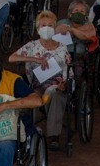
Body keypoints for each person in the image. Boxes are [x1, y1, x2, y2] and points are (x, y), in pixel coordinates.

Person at [9, 11, 70, 150]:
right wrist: (34, 59)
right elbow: (11, 58)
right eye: (43, 25)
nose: (46, 28)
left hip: (57, 85)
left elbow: (68, 70)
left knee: (53, 93)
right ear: (37, 29)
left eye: (50, 25)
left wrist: (65, 83)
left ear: (55, 28)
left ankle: (53, 135)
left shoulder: (62, 47)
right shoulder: (31, 46)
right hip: (36, 85)